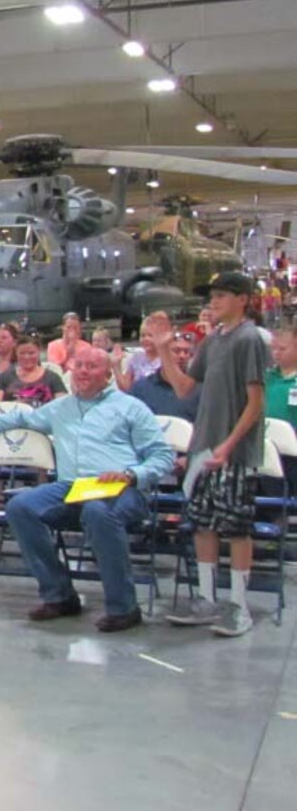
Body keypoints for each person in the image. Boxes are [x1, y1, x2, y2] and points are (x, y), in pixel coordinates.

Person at [0, 346, 174, 632]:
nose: (83, 372)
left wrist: (130, 475)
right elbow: (23, 418)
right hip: (72, 488)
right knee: (21, 507)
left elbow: (163, 456)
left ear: (108, 374)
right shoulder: (62, 408)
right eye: (79, 366)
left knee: (98, 511)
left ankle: (124, 607)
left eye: (92, 367)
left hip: (120, 490)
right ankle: (59, 594)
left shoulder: (131, 408)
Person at [153, 273, 271, 637]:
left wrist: (229, 445)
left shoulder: (249, 339)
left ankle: (238, 605)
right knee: (204, 523)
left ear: (243, 299)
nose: (214, 302)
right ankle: (206, 597)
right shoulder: (212, 341)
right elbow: (186, 388)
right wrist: (163, 350)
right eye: (212, 296)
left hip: (234, 451)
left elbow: (256, 403)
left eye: (222, 296)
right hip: (205, 446)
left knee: (235, 527)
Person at [127, 330, 200, 422]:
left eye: (187, 352)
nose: (182, 356)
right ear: (162, 353)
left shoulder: (197, 389)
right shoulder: (140, 388)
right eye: (176, 351)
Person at [264, 324, 297, 489]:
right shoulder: (266, 378)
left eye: (282, 349)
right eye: (273, 348)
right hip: (267, 450)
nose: (276, 353)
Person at [0, 336, 68, 406]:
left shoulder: (53, 378)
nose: (26, 357)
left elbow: (62, 405)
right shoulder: (4, 377)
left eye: (31, 353)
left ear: (39, 352)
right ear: (16, 353)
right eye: (22, 353)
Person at [117, 316, 165, 391]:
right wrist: (116, 366)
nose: (146, 339)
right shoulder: (135, 358)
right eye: (142, 335)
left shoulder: (166, 359)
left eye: (150, 335)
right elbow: (126, 388)